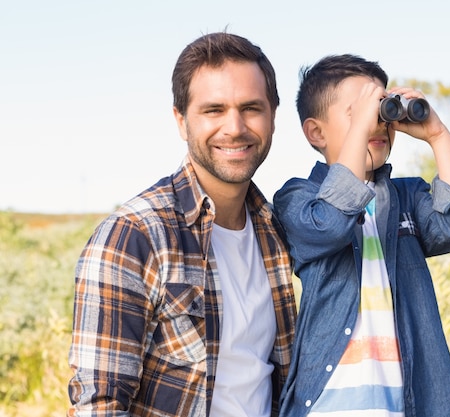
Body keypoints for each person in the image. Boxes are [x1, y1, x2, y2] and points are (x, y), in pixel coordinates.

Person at [68, 32, 297, 417]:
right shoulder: (134, 236)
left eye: (251, 108)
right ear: (181, 120)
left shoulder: (275, 231)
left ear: (273, 116)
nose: (235, 127)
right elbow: (99, 406)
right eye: (214, 110)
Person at [273, 54, 450, 417]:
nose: (376, 123)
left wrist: (437, 135)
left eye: (382, 109)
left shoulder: (406, 197)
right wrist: (361, 131)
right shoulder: (298, 197)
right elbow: (331, 224)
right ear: (316, 132)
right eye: (358, 113)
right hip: (326, 402)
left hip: (402, 402)